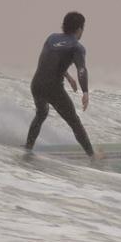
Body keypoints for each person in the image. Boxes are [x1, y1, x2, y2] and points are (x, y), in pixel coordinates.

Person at [25, 11, 99, 158]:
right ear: (79, 29)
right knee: (74, 122)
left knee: (41, 114)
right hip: (53, 89)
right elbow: (82, 69)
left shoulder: (51, 38)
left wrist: (68, 77)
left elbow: (51, 61)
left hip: (36, 84)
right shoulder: (77, 47)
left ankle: (28, 147)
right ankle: (92, 155)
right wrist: (85, 92)